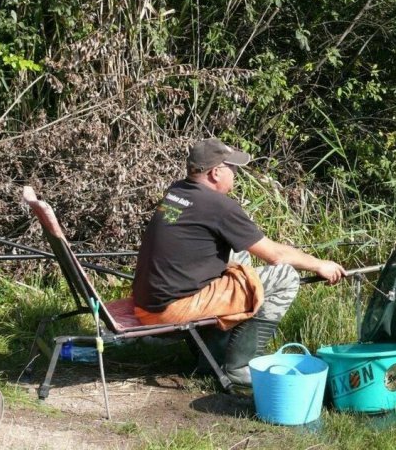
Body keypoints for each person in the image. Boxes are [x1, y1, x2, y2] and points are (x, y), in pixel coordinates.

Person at [132, 137, 346, 386]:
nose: (236, 174)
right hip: (170, 310)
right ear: (215, 173)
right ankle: (239, 365)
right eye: (232, 169)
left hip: (150, 301)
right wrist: (320, 264)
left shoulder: (178, 191)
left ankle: (211, 354)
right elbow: (275, 255)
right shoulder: (218, 205)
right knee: (286, 277)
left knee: (240, 255)